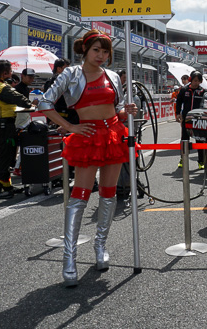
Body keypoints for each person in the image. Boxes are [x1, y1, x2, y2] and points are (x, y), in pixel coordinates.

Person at [38, 30, 137, 287]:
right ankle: (69, 257)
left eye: (105, 52)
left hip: (113, 133)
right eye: (96, 50)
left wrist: (125, 110)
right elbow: (44, 103)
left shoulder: (113, 76)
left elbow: (113, 108)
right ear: (85, 50)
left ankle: (100, 246)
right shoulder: (71, 74)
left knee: (108, 193)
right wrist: (70, 127)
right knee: (79, 195)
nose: (101, 56)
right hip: (87, 135)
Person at [0, 60, 33, 199]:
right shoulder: (2, 87)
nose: (11, 74)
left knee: (5, 156)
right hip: (2, 127)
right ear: (4, 73)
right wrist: (30, 104)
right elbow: (21, 100)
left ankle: (6, 185)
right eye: (10, 71)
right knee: (3, 157)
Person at [175, 71, 206, 169]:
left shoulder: (203, 91)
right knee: (184, 139)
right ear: (190, 80)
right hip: (186, 119)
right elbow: (178, 102)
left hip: (198, 119)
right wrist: (178, 113)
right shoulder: (184, 90)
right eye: (194, 80)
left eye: (198, 81)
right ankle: (182, 159)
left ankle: (201, 161)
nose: (196, 83)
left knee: (199, 140)